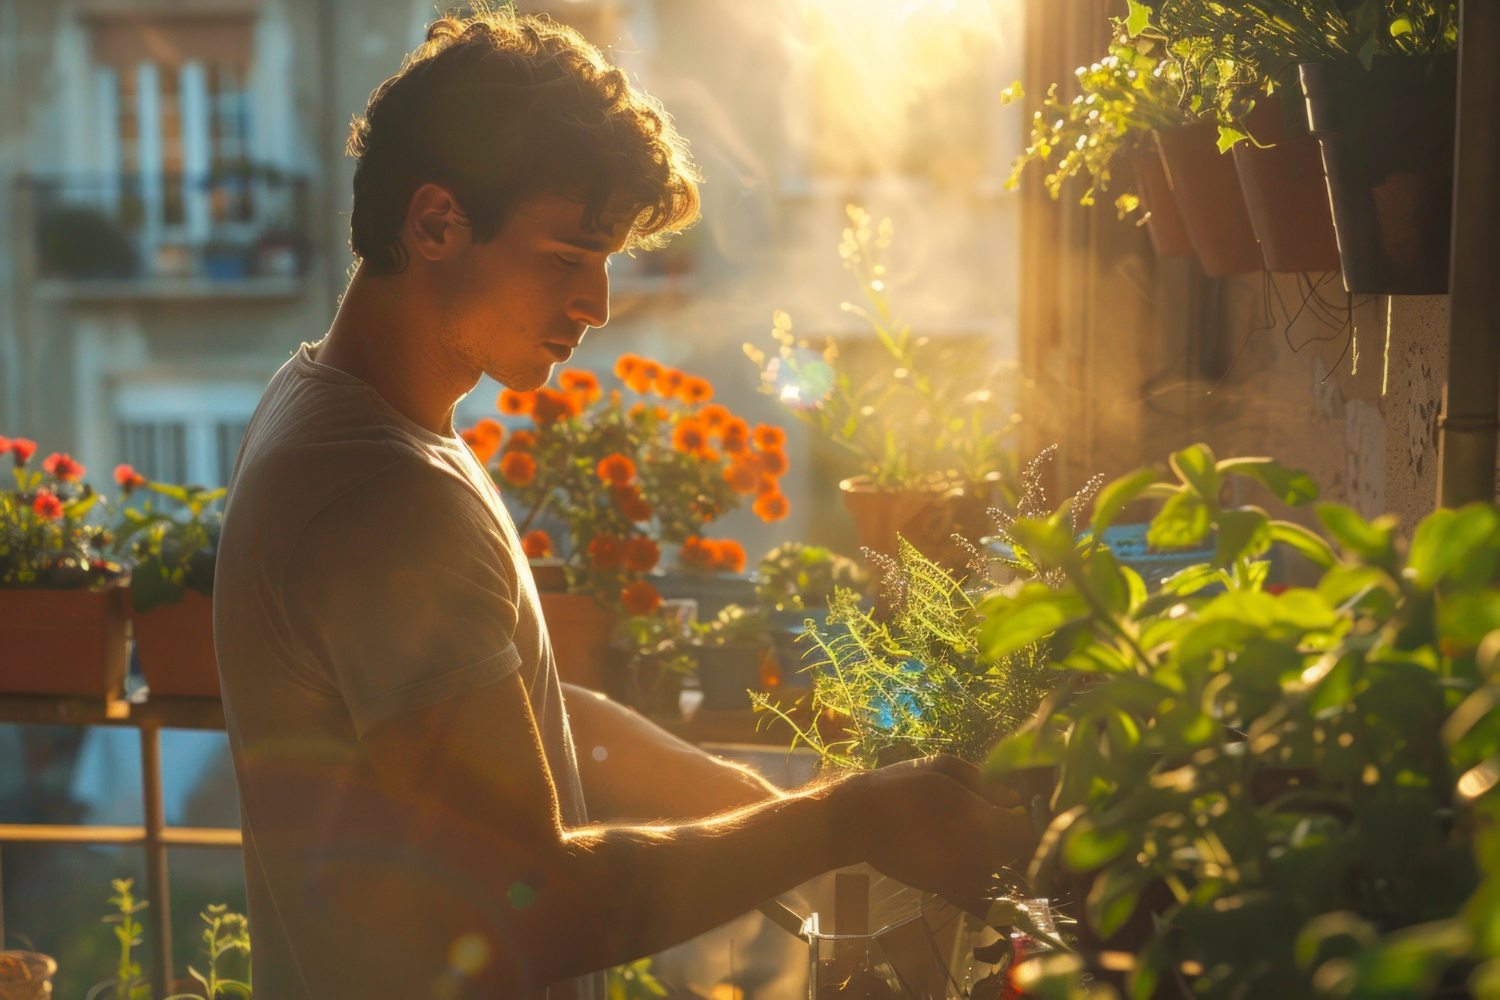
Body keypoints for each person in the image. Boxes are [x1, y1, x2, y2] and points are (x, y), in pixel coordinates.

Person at [214, 10, 1034, 999]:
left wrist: (763, 804)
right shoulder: (385, 494)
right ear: (434, 223)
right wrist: (844, 820)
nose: (596, 304)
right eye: (566, 258)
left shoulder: (338, 409)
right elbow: (535, 901)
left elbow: (523, 709)